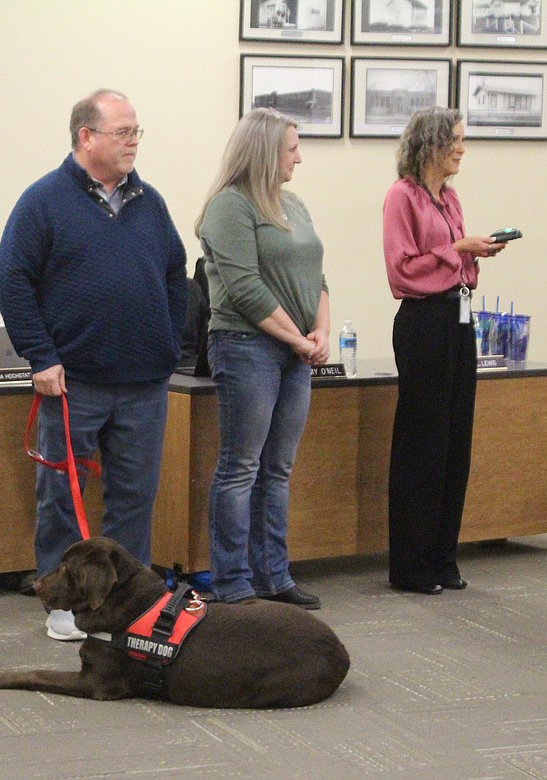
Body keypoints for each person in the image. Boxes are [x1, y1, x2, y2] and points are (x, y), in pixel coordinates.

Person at [0, 88, 188, 641]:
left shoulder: (149, 201)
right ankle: (62, 604)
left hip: (145, 380)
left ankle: (129, 604)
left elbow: (175, 274)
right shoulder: (43, 201)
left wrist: (168, 341)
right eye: (122, 132)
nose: (132, 143)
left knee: (135, 495)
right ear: (86, 137)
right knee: (61, 496)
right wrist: (41, 355)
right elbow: (12, 280)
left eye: (136, 133)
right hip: (71, 381)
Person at [194, 108, 330, 609]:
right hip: (246, 347)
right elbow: (245, 288)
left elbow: (316, 276)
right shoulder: (229, 206)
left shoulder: (293, 204)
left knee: (278, 469)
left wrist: (321, 332)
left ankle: (274, 576)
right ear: (265, 151)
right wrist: (299, 339)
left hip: (295, 351)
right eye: (292, 147)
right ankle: (232, 582)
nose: (299, 156)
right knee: (241, 467)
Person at [382, 106, 509, 595]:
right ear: (430, 144)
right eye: (454, 139)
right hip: (422, 324)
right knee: (422, 443)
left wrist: (473, 253)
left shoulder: (449, 199)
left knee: (456, 440)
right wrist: (456, 251)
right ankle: (411, 564)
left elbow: (457, 266)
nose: (461, 148)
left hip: (458, 320)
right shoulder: (401, 198)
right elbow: (401, 271)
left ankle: (442, 556)